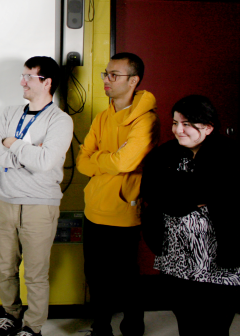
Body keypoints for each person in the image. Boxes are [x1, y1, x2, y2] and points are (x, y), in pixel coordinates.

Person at [141, 95, 240, 336]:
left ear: (208, 127)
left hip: (221, 257)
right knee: (186, 322)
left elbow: (223, 192)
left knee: (215, 325)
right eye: (175, 123)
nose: (178, 130)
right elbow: (151, 191)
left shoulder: (232, 154)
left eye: (187, 124)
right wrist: (194, 196)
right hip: (177, 256)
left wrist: (179, 191)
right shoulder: (165, 154)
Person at [0, 56, 73, 336]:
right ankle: (10, 316)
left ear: (47, 82)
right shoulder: (9, 113)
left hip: (39, 205)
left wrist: (12, 144)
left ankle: (32, 326)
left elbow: (47, 161)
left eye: (29, 77)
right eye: (22, 76)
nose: (22, 82)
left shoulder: (60, 120)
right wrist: (28, 153)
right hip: (5, 201)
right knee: (5, 268)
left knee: (35, 273)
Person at [76, 52, 159, 336]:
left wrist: (101, 159)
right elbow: (82, 161)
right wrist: (107, 160)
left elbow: (125, 163)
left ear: (133, 81)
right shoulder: (102, 117)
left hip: (124, 212)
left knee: (126, 278)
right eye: (105, 74)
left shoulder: (146, 120)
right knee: (95, 276)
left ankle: (133, 327)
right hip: (94, 208)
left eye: (114, 75)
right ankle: (101, 328)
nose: (106, 80)